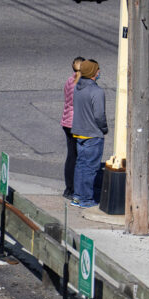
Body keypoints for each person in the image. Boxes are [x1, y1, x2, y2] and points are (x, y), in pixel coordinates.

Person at [70, 59, 108, 208]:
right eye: (97, 70)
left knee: (80, 165)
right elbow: (99, 115)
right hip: (93, 133)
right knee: (91, 168)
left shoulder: (77, 88)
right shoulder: (97, 91)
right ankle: (86, 199)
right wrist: (104, 128)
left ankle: (78, 196)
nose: (99, 72)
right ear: (93, 72)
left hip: (79, 132)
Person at [61, 56, 84, 200]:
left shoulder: (69, 81)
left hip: (66, 122)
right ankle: (76, 189)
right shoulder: (81, 84)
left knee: (71, 156)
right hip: (78, 123)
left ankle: (68, 188)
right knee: (80, 158)